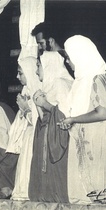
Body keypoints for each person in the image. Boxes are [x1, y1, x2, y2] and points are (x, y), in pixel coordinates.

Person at [57, 35, 106, 204]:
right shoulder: (81, 82)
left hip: (98, 142)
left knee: (101, 192)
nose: (68, 63)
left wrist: (73, 119)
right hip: (85, 141)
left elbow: (102, 113)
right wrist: (71, 121)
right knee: (88, 195)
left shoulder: (98, 78)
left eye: (69, 58)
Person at [28, 51, 73, 203]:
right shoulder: (49, 85)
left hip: (56, 141)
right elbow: (44, 118)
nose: (36, 71)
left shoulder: (61, 83)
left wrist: (44, 104)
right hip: (46, 137)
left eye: (38, 66)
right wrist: (39, 104)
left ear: (48, 66)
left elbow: (65, 117)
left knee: (57, 182)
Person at [6, 56, 41, 200]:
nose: (17, 76)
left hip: (35, 137)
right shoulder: (26, 90)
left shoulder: (39, 91)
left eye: (20, 73)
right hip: (27, 137)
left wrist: (25, 109)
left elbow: (38, 120)